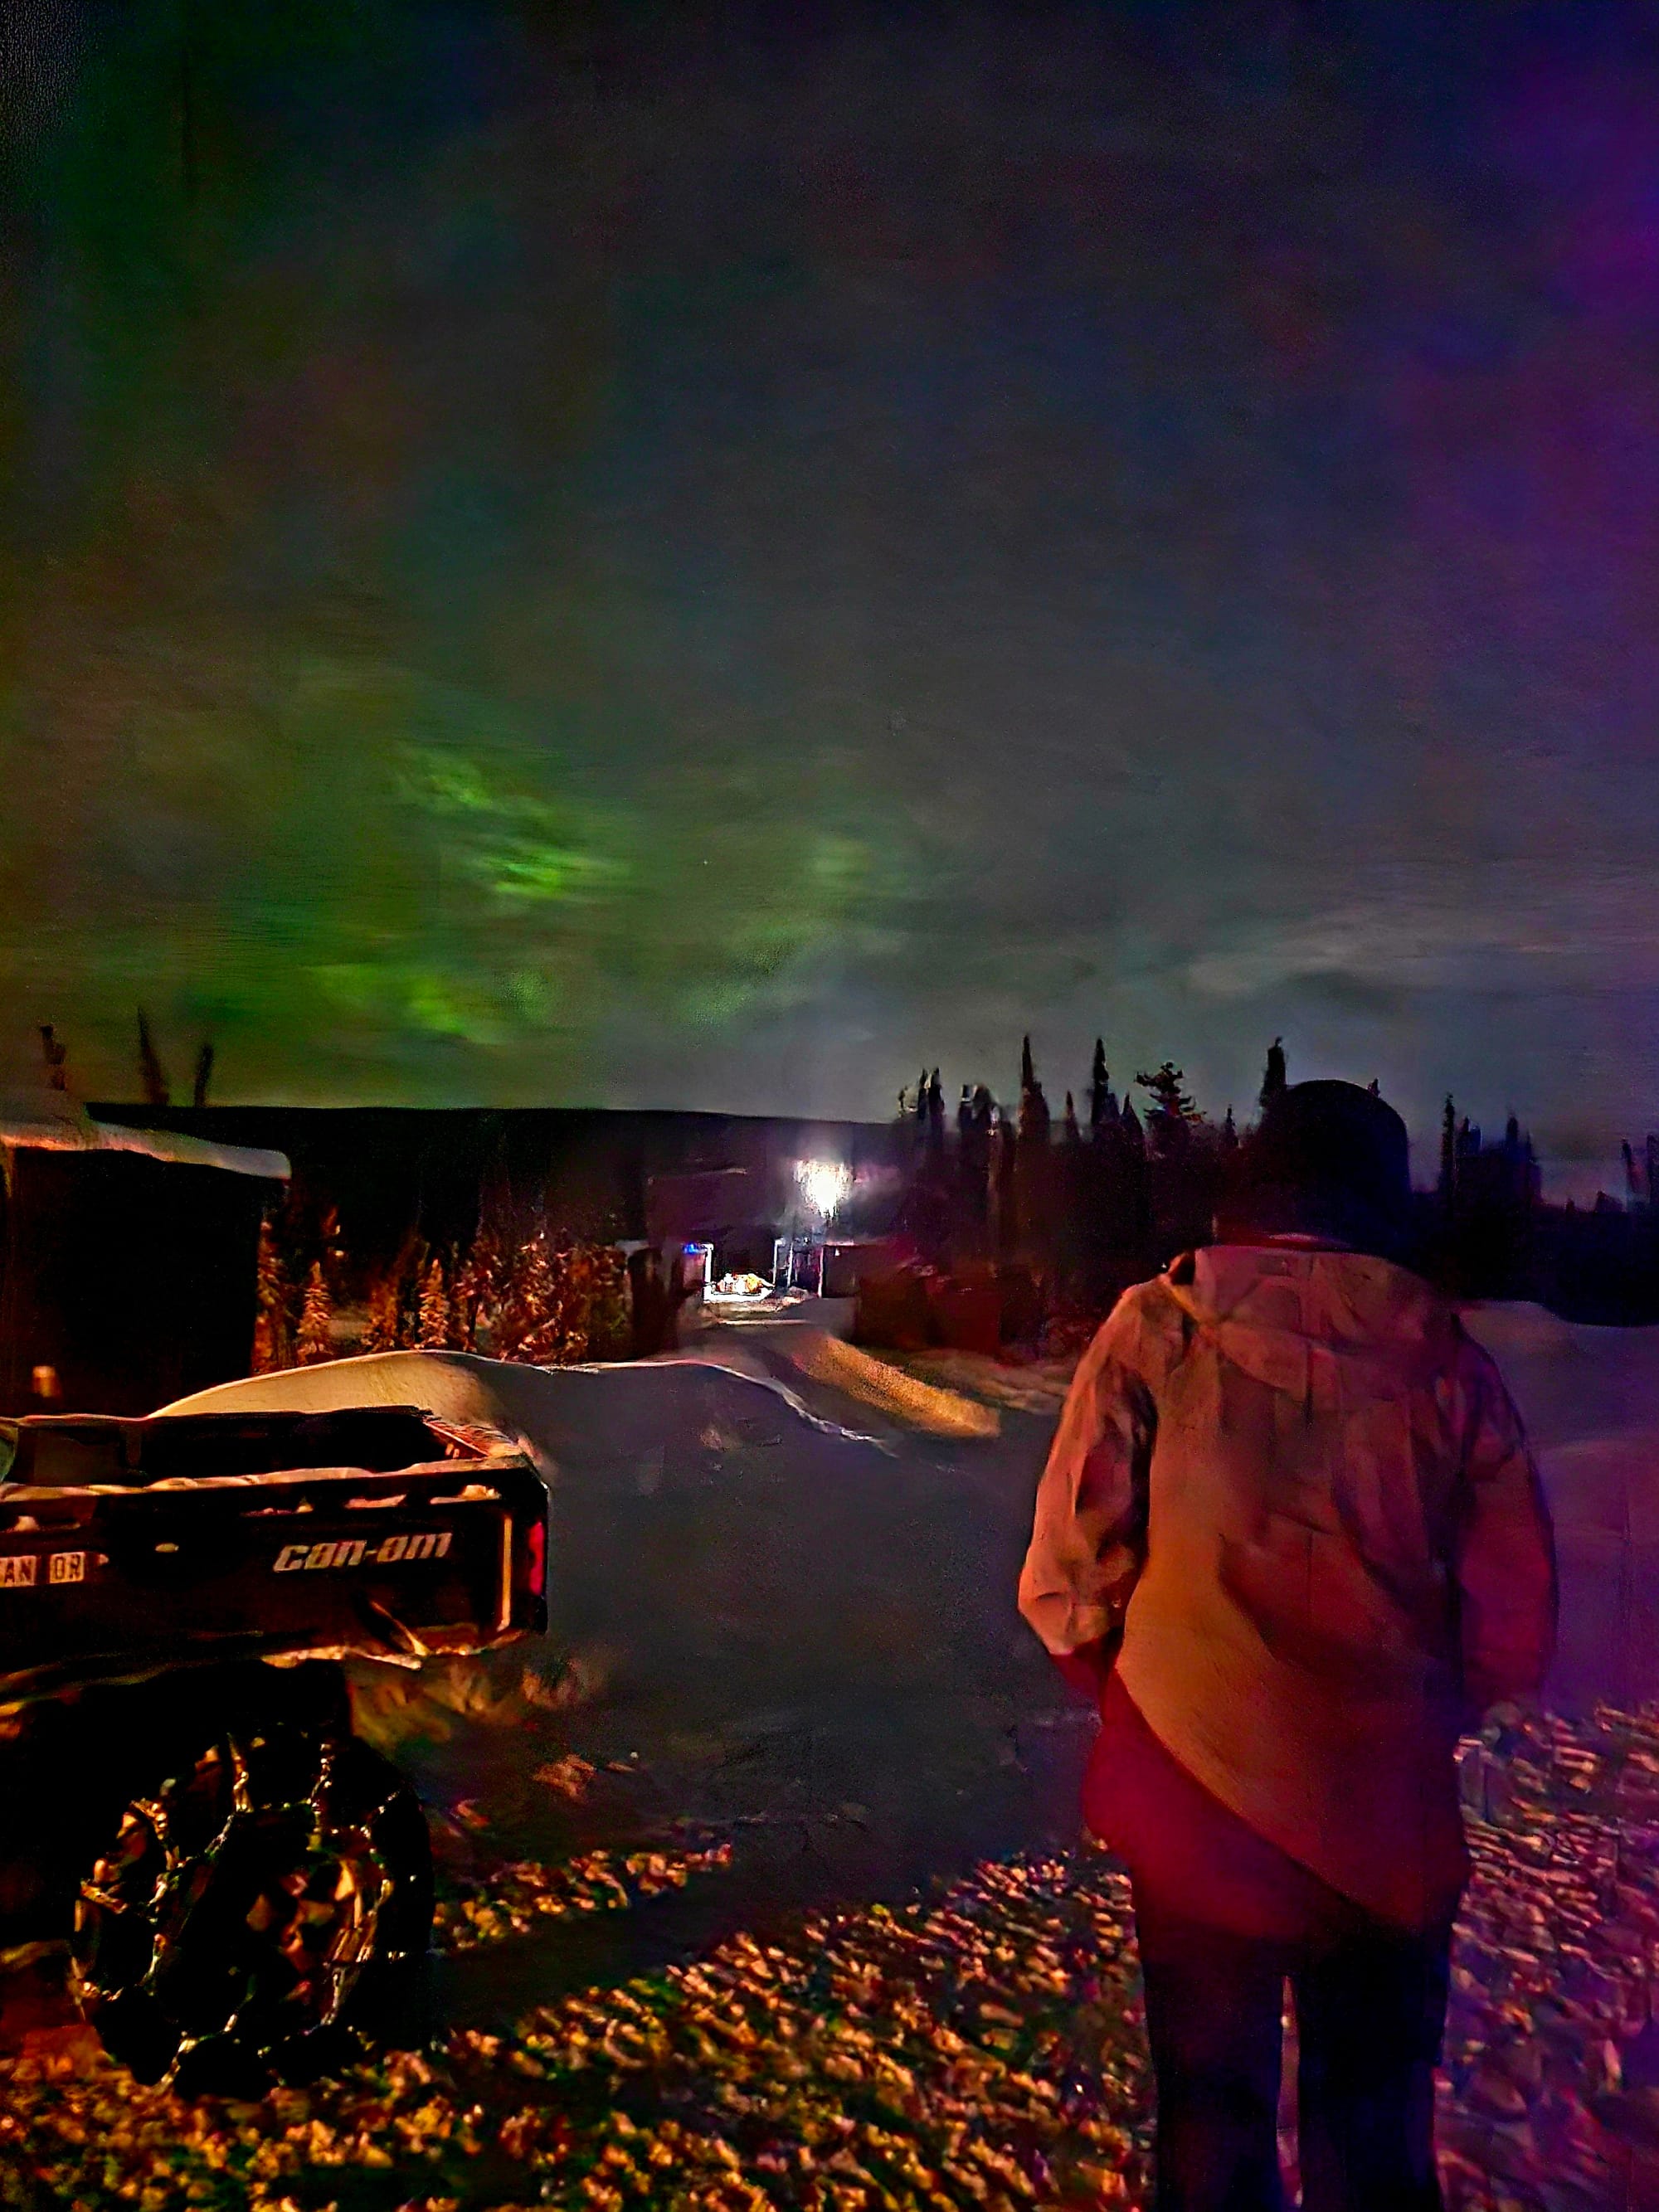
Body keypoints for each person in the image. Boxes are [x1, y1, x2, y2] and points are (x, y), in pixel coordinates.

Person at [1019, 1080, 1556, 2212]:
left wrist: (1116, 1676)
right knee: (1373, 2147)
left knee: (1212, 2139)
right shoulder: (1448, 1361)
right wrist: (1440, 1702)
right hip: (1383, 1825)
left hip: (1198, 1802)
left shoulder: (1159, 1330)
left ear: (1254, 1188)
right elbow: (1518, 1612)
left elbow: (1069, 1571)